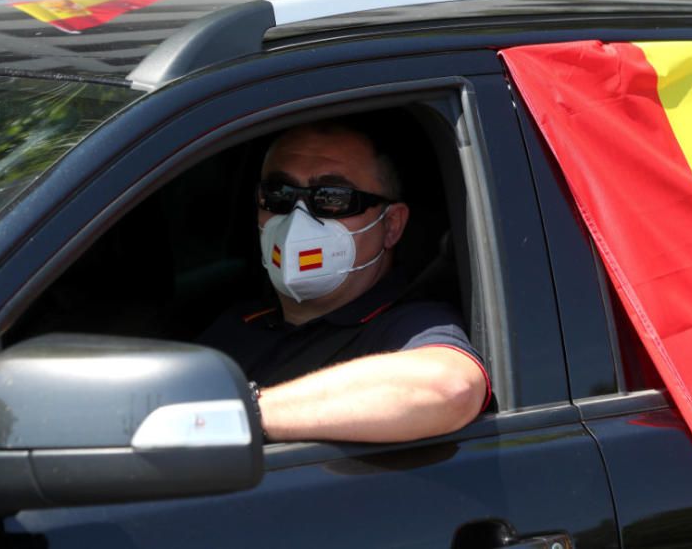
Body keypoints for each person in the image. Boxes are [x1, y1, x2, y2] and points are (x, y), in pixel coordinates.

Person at [194, 122, 491, 443]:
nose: (298, 218)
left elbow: (450, 388)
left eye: (332, 198)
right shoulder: (235, 320)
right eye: (278, 195)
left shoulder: (410, 325)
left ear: (391, 225)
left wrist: (243, 414)